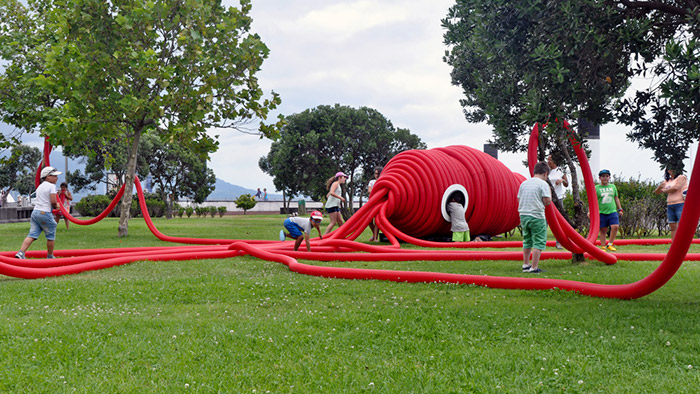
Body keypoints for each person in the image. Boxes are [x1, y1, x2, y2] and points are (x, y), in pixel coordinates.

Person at [15, 166, 62, 259]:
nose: (57, 178)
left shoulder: (40, 186)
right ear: (48, 176)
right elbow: (53, 201)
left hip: (35, 212)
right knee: (51, 234)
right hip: (45, 213)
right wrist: (57, 206)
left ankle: (21, 252)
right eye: (54, 176)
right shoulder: (52, 186)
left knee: (32, 234)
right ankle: (50, 256)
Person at [517, 161, 552, 273]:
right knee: (539, 241)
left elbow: (518, 199)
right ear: (545, 173)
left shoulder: (524, 183)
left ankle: (525, 265)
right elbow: (547, 201)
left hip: (523, 215)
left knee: (527, 240)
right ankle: (534, 267)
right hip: (537, 215)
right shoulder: (543, 184)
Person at [654, 167, 687, 240]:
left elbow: (676, 188)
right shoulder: (668, 180)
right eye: (668, 169)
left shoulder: (681, 177)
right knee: (672, 226)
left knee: (682, 225)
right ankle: (674, 244)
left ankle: (682, 243)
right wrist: (660, 187)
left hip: (680, 203)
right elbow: (656, 192)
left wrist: (664, 190)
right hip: (670, 204)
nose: (670, 170)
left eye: (672, 168)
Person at [596, 169, 623, 251]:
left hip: (612, 211)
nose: (605, 178)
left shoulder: (613, 187)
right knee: (603, 230)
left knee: (615, 226)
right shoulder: (596, 188)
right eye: (603, 176)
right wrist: (591, 211)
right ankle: (603, 246)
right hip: (601, 212)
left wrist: (620, 209)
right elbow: (593, 200)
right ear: (600, 178)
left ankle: (610, 244)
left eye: (607, 176)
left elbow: (616, 198)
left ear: (609, 177)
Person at [547, 155, 569, 249]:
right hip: (547, 197)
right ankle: (540, 242)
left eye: (550, 160)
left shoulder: (560, 170)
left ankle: (559, 242)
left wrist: (562, 180)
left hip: (558, 197)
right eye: (547, 159)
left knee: (559, 220)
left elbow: (566, 184)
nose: (548, 161)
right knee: (545, 220)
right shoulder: (546, 170)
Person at [367, 167, 382, 242]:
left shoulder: (383, 180)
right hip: (371, 203)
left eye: (377, 173)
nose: (376, 175)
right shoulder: (372, 182)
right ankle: (374, 235)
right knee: (368, 220)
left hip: (379, 203)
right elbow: (369, 191)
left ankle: (375, 238)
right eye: (375, 173)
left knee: (377, 220)